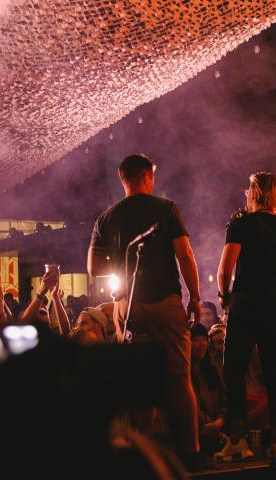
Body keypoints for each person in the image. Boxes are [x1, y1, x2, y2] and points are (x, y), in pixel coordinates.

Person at [86, 154, 202, 464]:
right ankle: (191, 452)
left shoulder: (105, 218)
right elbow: (185, 255)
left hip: (128, 307)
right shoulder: (166, 208)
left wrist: (121, 263)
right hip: (164, 303)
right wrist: (195, 297)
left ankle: (146, 457)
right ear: (147, 176)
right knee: (179, 377)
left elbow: (94, 268)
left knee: (141, 381)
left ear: (123, 179)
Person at [216, 172, 276, 460]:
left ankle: (237, 440)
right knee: (274, 374)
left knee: (234, 370)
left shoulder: (241, 223)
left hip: (246, 304)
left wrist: (224, 297)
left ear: (253, 192)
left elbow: (225, 269)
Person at [190, 324, 227, 455]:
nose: (202, 344)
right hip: (199, 435)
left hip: (218, 428)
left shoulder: (211, 369)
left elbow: (224, 396)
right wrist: (216, 429)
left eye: (204, 339)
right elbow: (193, 408)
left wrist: (220, 420)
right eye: (196, 340)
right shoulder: (186, 375)